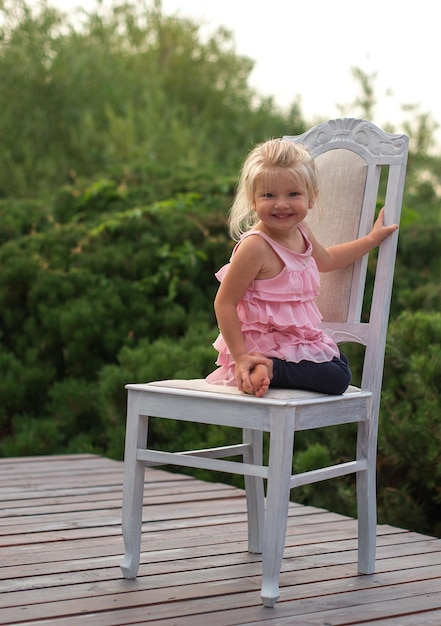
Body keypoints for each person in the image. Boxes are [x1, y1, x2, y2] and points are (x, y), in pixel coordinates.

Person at [205, 138, 398, 397]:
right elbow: (225, 303)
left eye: (293, 194)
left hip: (289, 340)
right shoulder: (255, 246)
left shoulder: (301, 232)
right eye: (269, 195)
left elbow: (327, 260)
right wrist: (241, 358)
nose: (281, 204)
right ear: (253, 200)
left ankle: (272, 370)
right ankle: (269, 370)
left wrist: (371, 240)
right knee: (338, 377)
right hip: (260, 346)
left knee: (338, 359)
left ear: (311, 198)